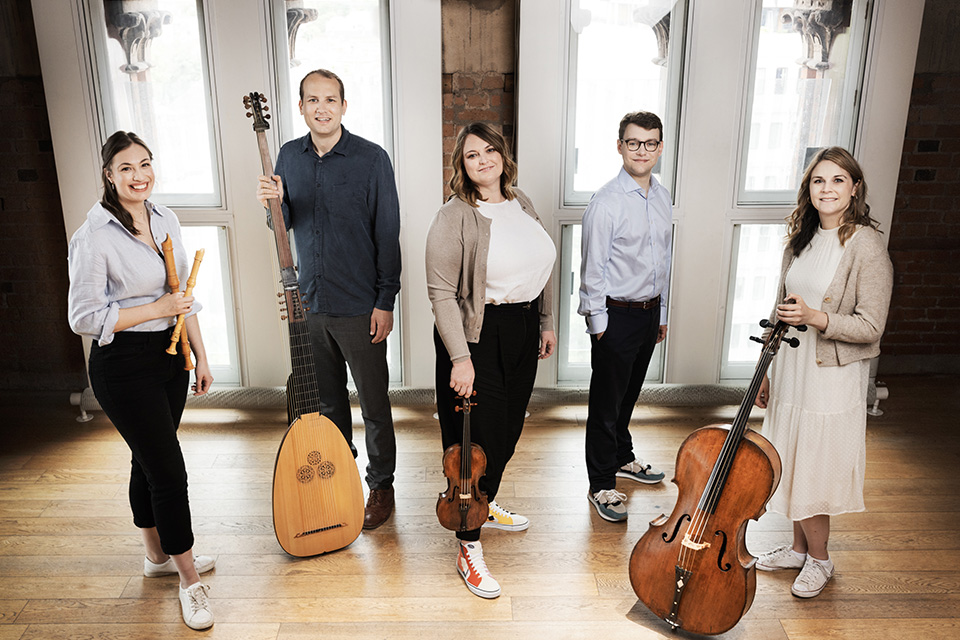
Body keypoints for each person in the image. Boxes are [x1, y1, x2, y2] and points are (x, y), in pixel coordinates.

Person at [67, 131, 216, 630]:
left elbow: (183, 292)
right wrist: (155, 309)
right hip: (122, 364)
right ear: (109, 174)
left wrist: (201, 352)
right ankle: (189, 580)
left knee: (149, 458)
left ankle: (156, 555)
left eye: (146, 164)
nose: (139, 175)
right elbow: (84, 317)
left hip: (169, 358)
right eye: (127, 167)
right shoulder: (94, 236)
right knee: (170, 472)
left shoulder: (163, 216)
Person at [256, 69, 401, 530]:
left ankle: (381, 485)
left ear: (344, 105)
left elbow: (387, 233)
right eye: (312, 100)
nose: (322, 107)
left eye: (331, 99)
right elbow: (286, 223)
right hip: (311, 303)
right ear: (300, 106)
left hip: (361, 305)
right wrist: (271, 205)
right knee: (327, 402)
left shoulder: (371, 159)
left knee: (374, 404)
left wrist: (386, 300)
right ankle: (340, 477)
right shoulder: (287, 157)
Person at [753, 146, 893, 599]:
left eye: (837, 180)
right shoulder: (803, 238)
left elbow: (872, 326)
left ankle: (820, 559)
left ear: (854, 188)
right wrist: (765, 372)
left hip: (830, 379)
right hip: (793, 369)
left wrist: (817, 318)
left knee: (813, 467)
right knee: (791, 458)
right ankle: (796, 549)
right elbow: (781, 309)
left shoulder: (866, 246)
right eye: (818, 180)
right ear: (808, 189)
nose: (827, 189)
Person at [426, 122, 557, 599]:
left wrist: (545, 319)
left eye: (489, 151)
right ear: (461, 166)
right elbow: (440, 293)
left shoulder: (521, 203)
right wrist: (460, 358)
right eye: (471, 155)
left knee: (509, 431)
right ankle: (468, 543)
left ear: (503, 154)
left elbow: (542, 267)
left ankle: (487, 500)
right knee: (475, 443)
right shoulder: (455, 215)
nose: (483, 160)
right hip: (476, 337)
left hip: (521, 330)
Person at [577, 111, 672, 523]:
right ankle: (601, 483)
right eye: (634, 143)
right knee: (605, 403)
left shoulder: (663, 196)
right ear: (620, 147)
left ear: (660, 148)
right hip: (615, 316)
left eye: (650, 143)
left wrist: (662, 312)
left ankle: (621, 457)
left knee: (629, 395)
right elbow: (592, 269)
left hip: (650, 314)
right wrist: (599, 327)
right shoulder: (606, 203)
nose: (642, 150)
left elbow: (664, 261)